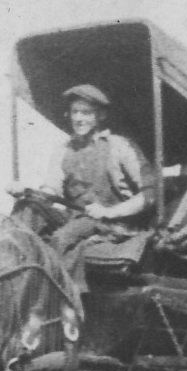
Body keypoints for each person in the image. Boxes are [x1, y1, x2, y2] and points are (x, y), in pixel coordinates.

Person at [32, 84, 155, 258]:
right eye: (74, 112)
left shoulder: (119, 146)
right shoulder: (64, 149)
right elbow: (51, 188)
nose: (78, 118)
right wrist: (28, 193)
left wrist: (109, 212)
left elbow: (150, 194)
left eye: (86, 113)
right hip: (76, 218)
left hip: (113, 223)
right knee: (29, 208)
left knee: (61, 239)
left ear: (101, 115)